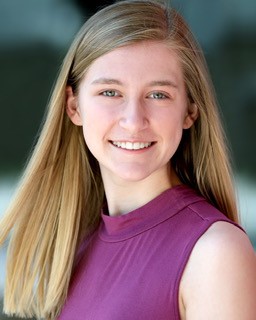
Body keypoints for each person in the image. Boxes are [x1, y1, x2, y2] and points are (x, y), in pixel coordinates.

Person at [1, 0, 256, 319]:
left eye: (158, 94)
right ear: (74, 106)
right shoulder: (74, 243)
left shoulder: (215, 254)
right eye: (110, 92)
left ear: (189, 110)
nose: (134, 121)